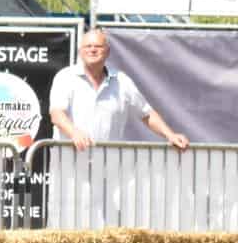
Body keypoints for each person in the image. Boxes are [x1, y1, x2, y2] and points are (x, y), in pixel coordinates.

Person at [49, 27, 189, 153]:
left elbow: (146, 113)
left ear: (107, 51)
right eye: (88, 46)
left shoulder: (122, 81)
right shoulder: (65, 77)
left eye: (98, 46)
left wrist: (170, 135)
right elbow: (57, 114)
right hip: (69, 169)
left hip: (108, 168)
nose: (92, 50)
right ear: (80, 51)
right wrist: (74, 133)